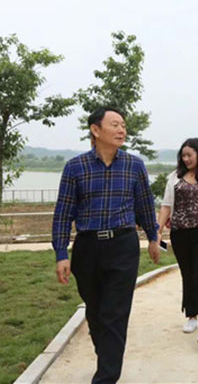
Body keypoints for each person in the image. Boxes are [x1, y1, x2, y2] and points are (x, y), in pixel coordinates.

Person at [52, 107, 160, 384]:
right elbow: (63, 213)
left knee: (115, 313)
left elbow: (145, 205)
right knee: (96, 312)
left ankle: (106, 376)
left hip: (123, 245)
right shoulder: (75, 167)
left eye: (123, 125)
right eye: (115, 124)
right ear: (95, 130)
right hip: (87, 248)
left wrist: (153, 237)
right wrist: (61, 253)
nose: (122, 130)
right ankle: (107, 360)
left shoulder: (134, 166)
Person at [158, 138, 198, 347]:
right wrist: (158, 231)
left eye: (189, 155)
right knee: (187, 275)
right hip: (180, 234)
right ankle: (191, 314)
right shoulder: (174, 177)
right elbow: (166, 206)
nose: (186, 159)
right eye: (183, 156)